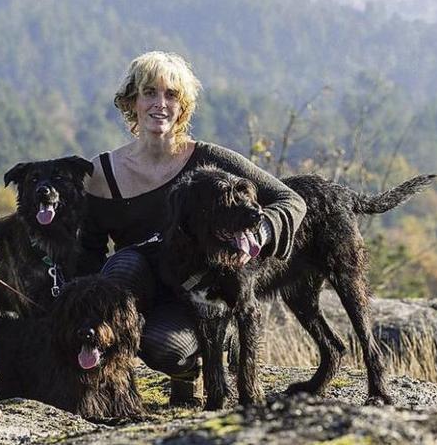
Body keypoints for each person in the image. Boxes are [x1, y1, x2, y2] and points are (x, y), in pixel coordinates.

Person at [79, 51, 306, 405]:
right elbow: (89, 254)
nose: (160, 104)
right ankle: (115, 392)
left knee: (164, 350)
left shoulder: (210, 161)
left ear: (183, 107)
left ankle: (200, 358)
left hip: (195, 296)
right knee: (122, 263)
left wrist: (255, 238)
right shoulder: (100, 175)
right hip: (139, 287)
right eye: (149, 93)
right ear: (131, 102)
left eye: (171, 95)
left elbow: (291, 200)